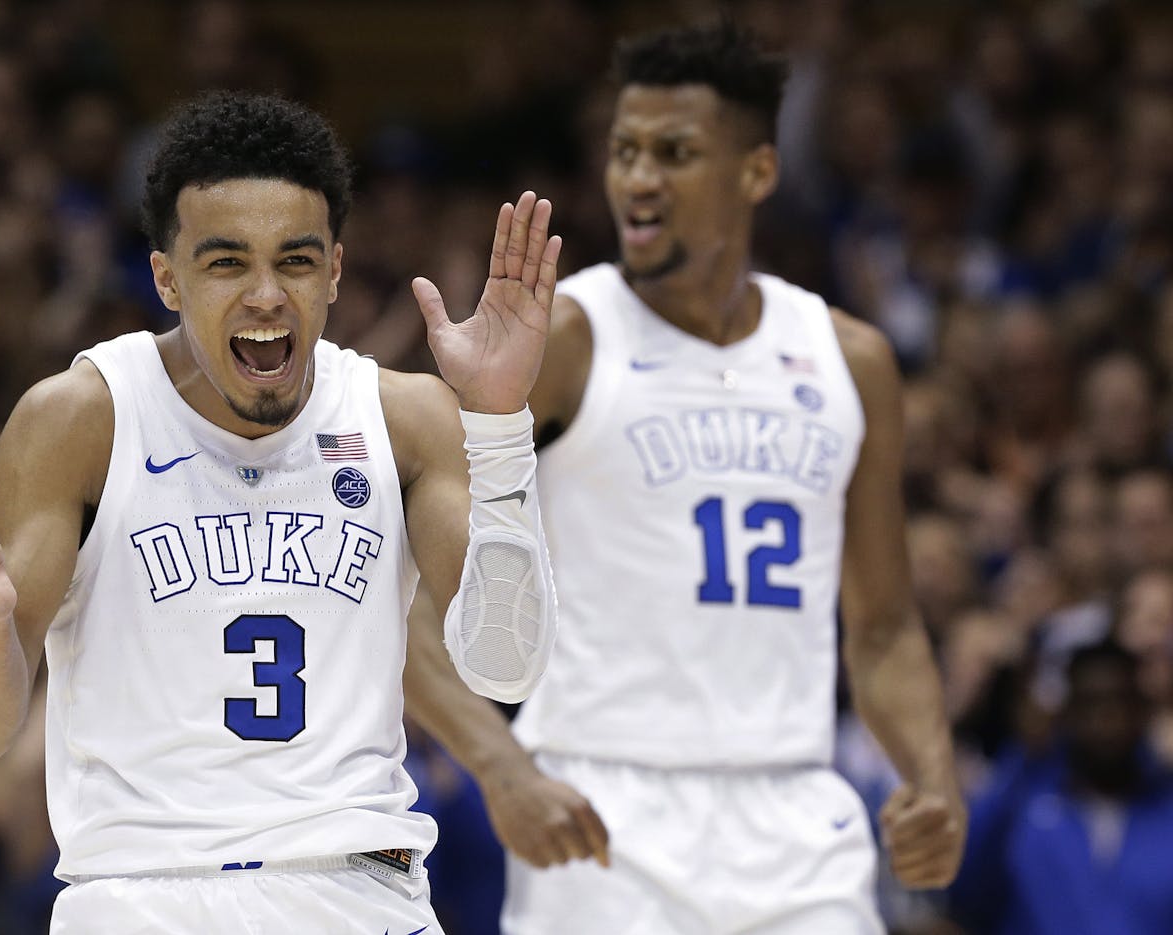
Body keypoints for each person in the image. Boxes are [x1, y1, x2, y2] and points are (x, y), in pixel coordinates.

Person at [0, 91, 562, 933]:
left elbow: (507, 670)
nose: (267, 294)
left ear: (336, 270)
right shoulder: (79, 419)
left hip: (355, 885)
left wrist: (497, 426)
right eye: (228, 262)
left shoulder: (403, 417)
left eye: (296, 261)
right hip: (141, 889)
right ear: (167, 276)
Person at [405, 23, 965, 933]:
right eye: (625, 151)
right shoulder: (568, 341)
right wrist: (501, 765)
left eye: (675, 152)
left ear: (757, 172)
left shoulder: (849, 359)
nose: (639, 177)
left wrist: (933, 778)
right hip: (600, 805)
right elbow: (399, 586)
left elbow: (888, 625)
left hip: (794, 809)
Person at [949, 640, 1173, 934]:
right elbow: (961, 891)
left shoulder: (1166, 810)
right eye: (1090, 703)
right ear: (1066, 713)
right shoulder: (1021, 805)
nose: (1106, 719)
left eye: (1120, 701)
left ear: (1142, 711)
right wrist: (1023, 757)